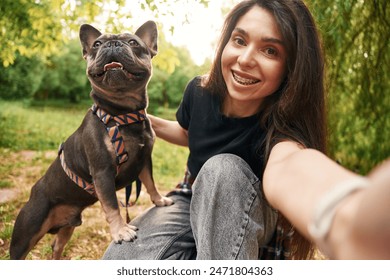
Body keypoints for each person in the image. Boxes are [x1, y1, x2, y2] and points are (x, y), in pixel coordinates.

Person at [103, 0, 390, 260]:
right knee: (119, 260)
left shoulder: (282, 126)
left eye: (270, 50)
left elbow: (291, 167)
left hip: (251, 216)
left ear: (290, 68)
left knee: (222, 171)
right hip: (192, 195)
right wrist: (131, 117)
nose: (245, 59)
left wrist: (345, 214)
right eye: (239, 40)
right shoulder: (199, 91)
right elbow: (190, 133)